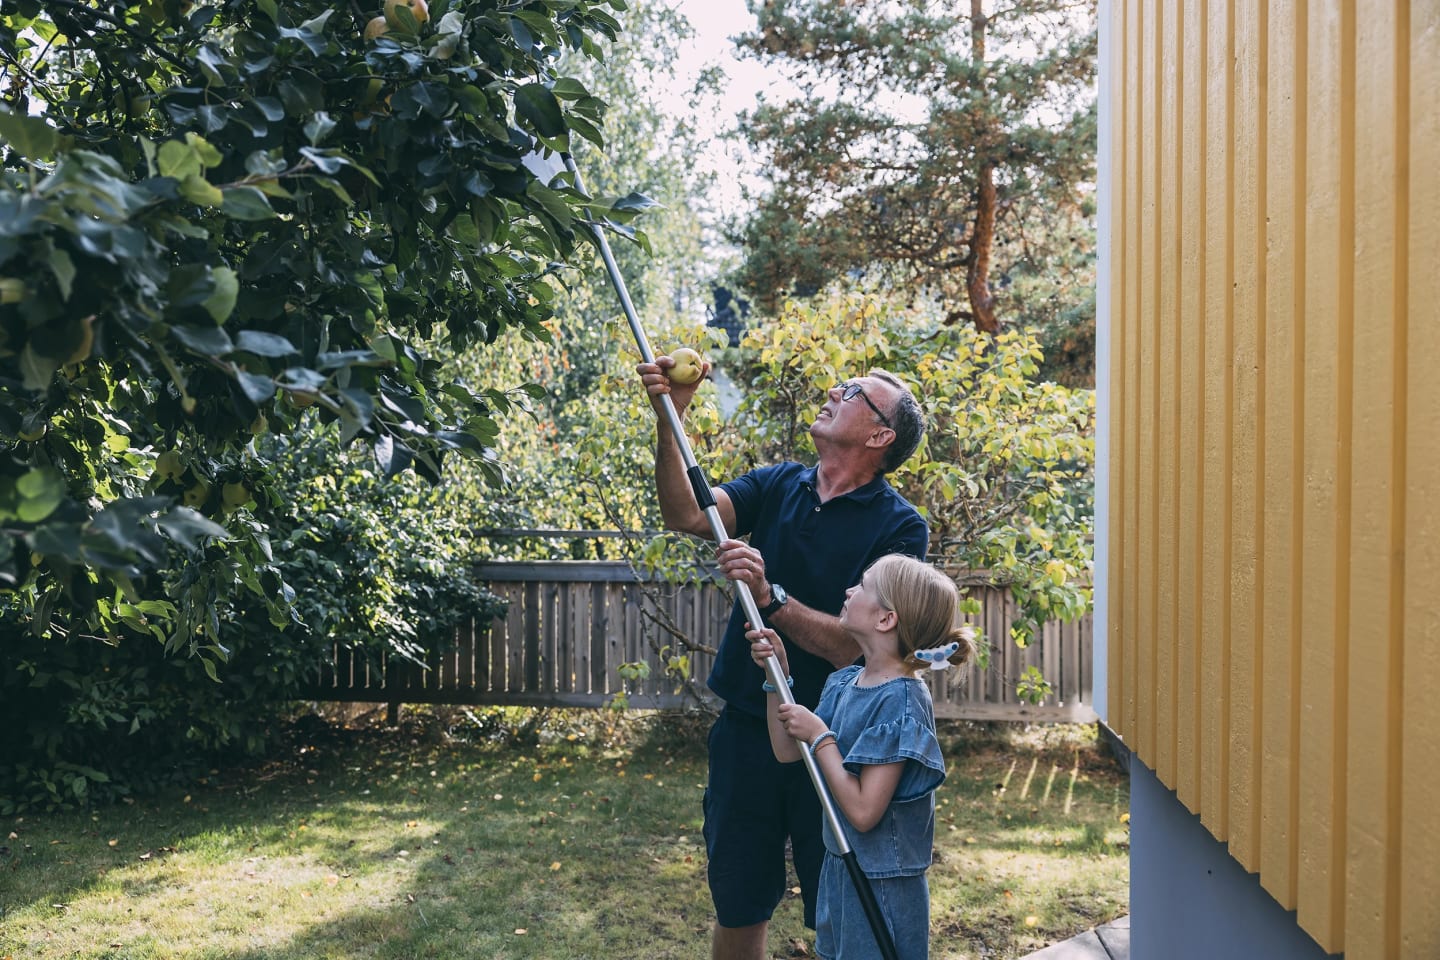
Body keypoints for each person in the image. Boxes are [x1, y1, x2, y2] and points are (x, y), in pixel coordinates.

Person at [637, 357, 930, 960]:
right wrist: (672, 418)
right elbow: (686, 513)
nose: (832, 390)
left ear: (880, 436)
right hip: (749, 727)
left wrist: (772, 600)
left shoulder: (901, 528)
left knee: (840, 910)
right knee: (740, 900)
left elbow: (862, 644)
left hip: (839, 743)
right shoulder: (777, 484)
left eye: (852, 393)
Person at [747, 554, 976, 960]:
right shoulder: (845, 682)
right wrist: (776, 676)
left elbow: (865, 810)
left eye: (863, 585)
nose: (849, 590)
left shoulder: (901, 700)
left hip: (882, 882)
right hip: (840, 868)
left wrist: (822, 737)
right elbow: (787, 751)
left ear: (886, 619)